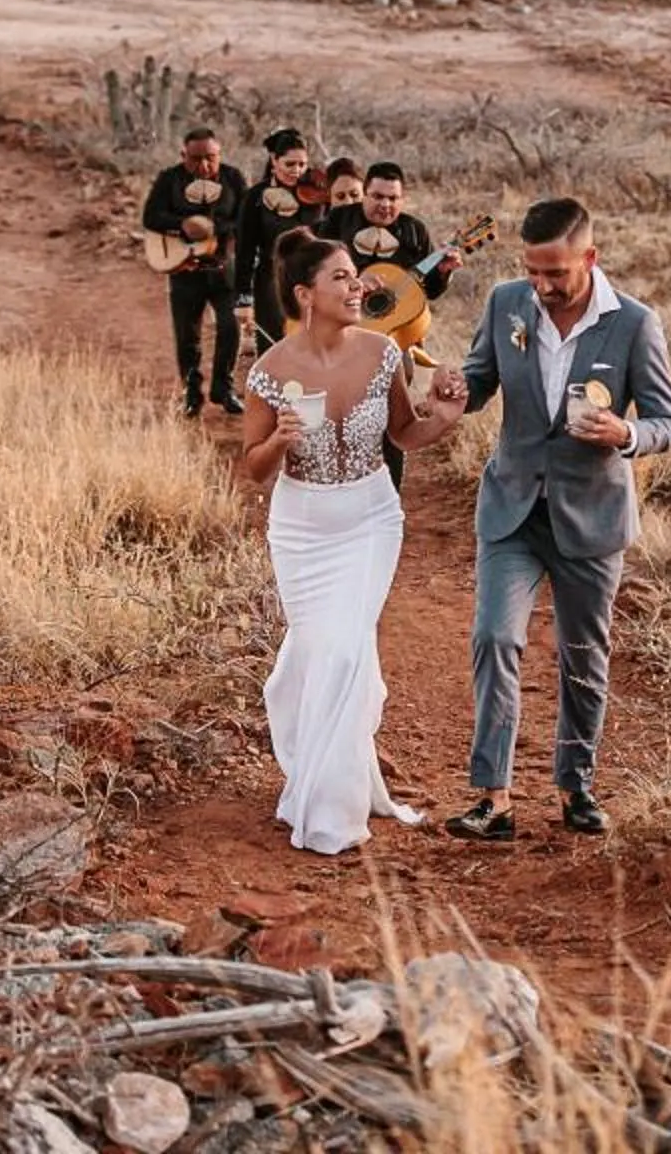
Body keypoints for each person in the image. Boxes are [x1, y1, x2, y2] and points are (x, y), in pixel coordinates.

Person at [433, 198, 671, 842]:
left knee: (582, 657)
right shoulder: (505, 303)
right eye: (533, 271)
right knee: (494, 638)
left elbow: (667, 422)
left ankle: (576, 787)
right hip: (513, 506)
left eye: (556, 273)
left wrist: (627, 433)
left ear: (589, 259)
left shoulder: (634, 323)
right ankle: (493, 798)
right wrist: (460, 389)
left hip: (590, 516)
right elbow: (481, 380)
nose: (541, 286)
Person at [240, 231, 466, 855]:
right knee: (318, 651)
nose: (358, 285)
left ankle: (328, 806)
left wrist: (443, 418)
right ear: (304, 294)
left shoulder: (383, 352)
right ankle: (317, 760)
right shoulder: (269, 372)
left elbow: (404, 433)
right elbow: (253, 468)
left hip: (370, 519)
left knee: (343, 651)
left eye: (355, 274)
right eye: (341, 277)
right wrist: (280, 440)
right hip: (302, 528)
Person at [318, 162, 450, 484]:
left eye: (393, 198)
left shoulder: (414, 231)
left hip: (393, 342)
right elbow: (313, 270)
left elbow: (428, 291)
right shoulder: (338, 222)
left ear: (403, 199)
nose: (385, 204)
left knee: (394, 415)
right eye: (377, 196)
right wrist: (352, 281)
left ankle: (391, 489)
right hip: (341, 336)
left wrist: (444, 272)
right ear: (364, 194)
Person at [140, 127, 246, 417]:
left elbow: (244, 219)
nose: (204, 165)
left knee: (231, 327)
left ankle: (224, 389)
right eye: (196, 158)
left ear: (219, 154)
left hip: (223, 269)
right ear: (183, 155)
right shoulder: (169, 179)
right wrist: (182, 225)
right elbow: (151, 217)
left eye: (210, 158)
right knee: (187, 336)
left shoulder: (233, 178)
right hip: (185, 269)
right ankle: (191, 393)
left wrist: (214, 229)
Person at [236, 128, 321, 349]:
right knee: (273, 343)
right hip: (271, 276)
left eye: (302, 164)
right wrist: (244, 297)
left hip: (313, 276)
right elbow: (245, 248)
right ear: (274, 160)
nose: (297, 171)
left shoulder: (318, 191)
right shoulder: (256, 196)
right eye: (290, 164)